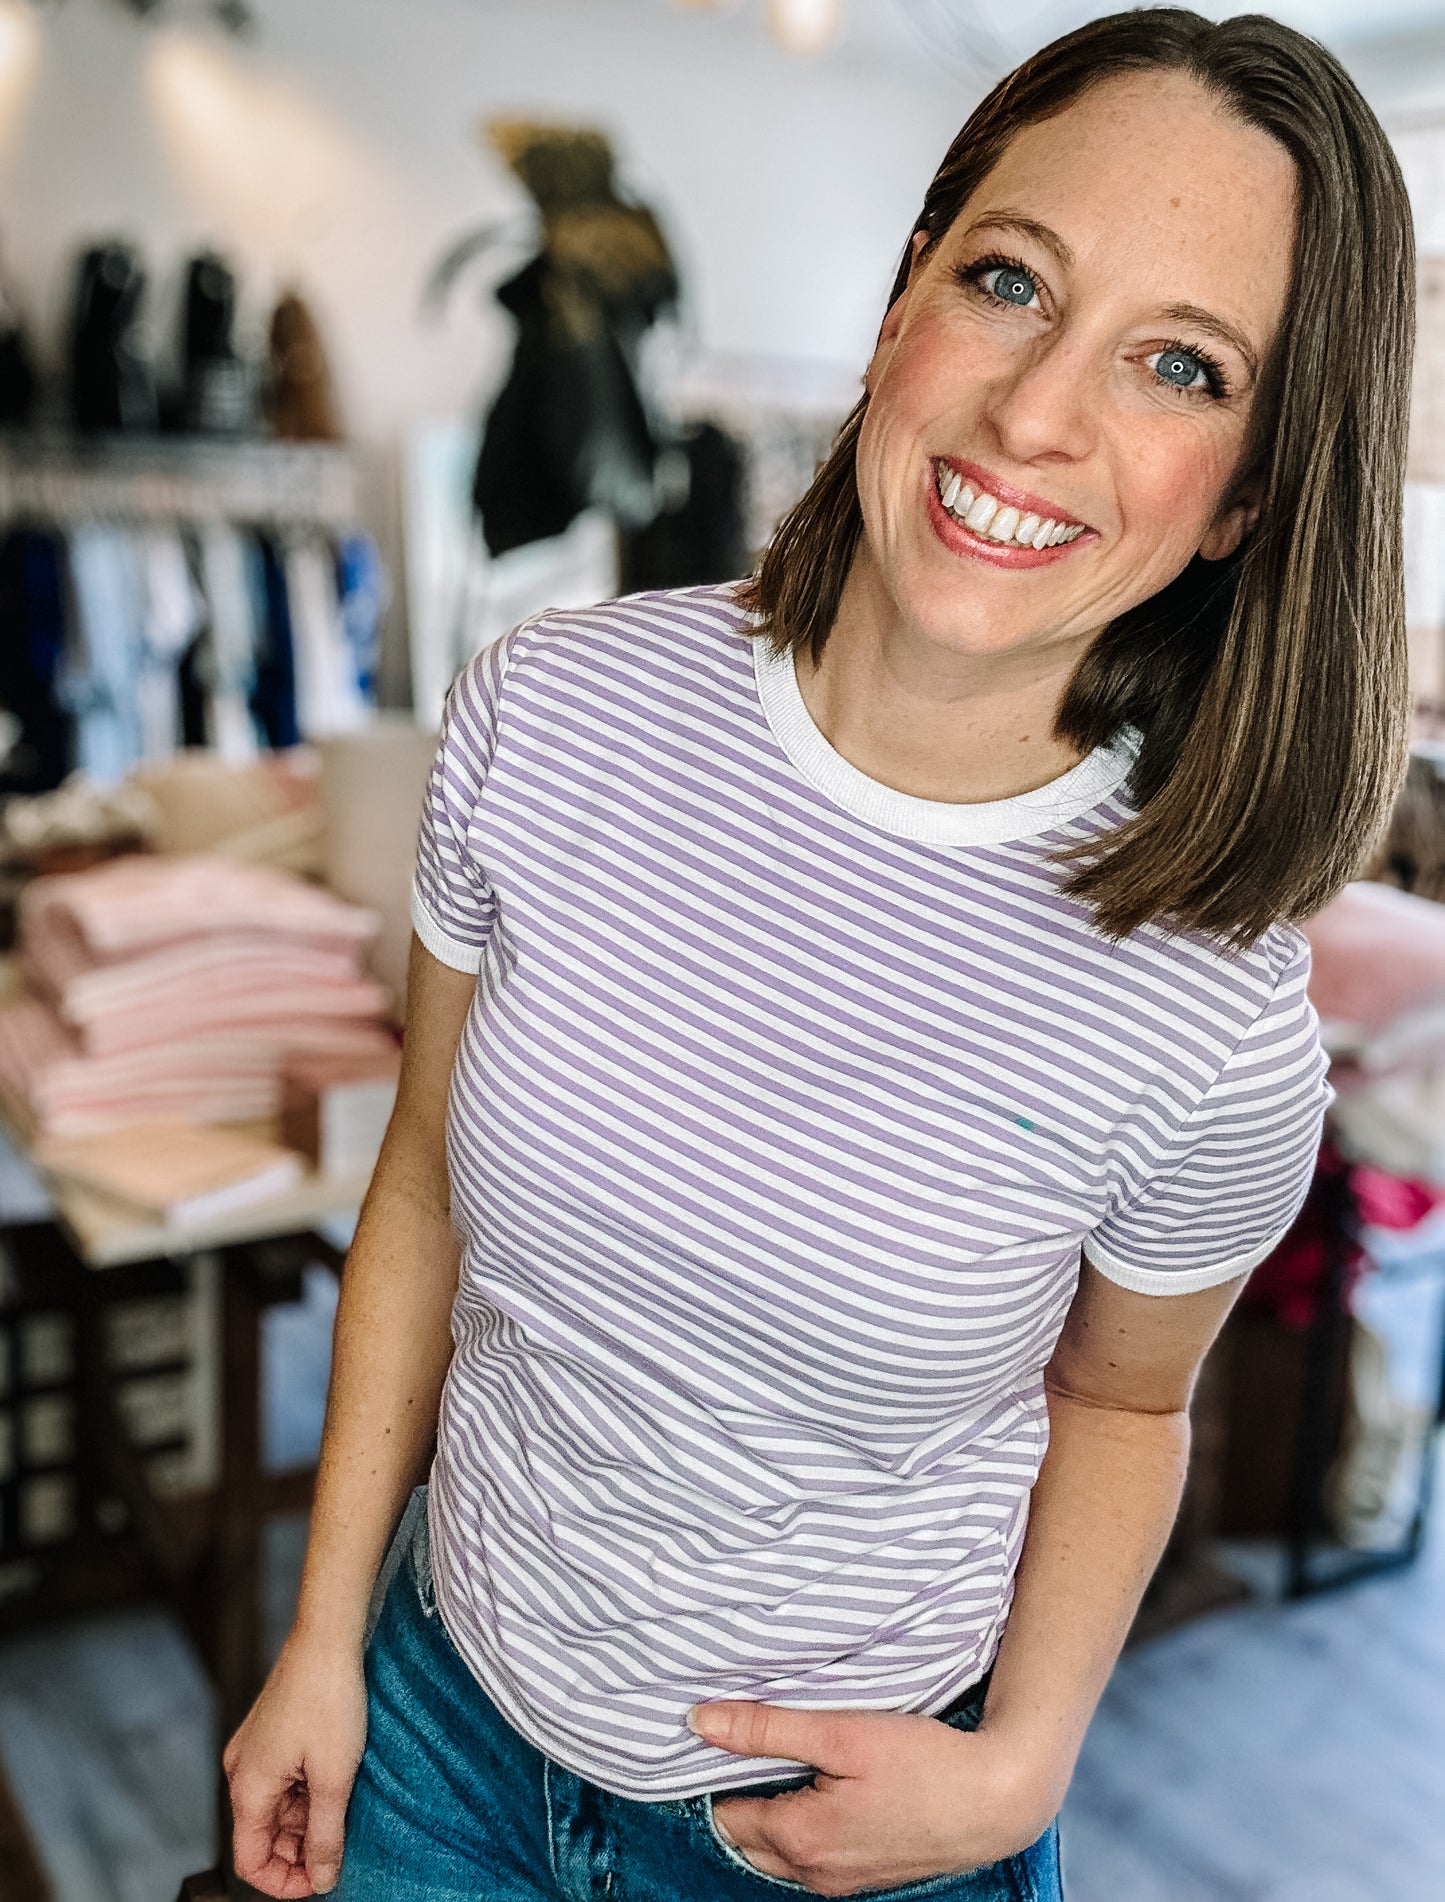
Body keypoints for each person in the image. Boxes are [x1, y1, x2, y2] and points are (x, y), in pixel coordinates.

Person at [223, 9, 1415, 1897]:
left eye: (1178, 366)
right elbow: (426, 1187)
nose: (1034, 415)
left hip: (845, 1838)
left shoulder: (1205, 1012)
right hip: (448, 1719)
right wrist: (318, 1637)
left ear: (1250, 498)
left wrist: (1021, 1764)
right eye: (1008, 278)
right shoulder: (553, 712)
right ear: (898, 303)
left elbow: (1118, 1403)